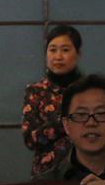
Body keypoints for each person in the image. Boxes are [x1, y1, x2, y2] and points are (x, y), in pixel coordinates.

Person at [21, 24, 83, 176]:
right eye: (52, 50)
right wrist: (67, 119)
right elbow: (30, 139)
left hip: (85, 170)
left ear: (78, 54)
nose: (58, 56)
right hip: (46, 173)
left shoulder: (89, 90)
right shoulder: (36, 91)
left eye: (65, 50)